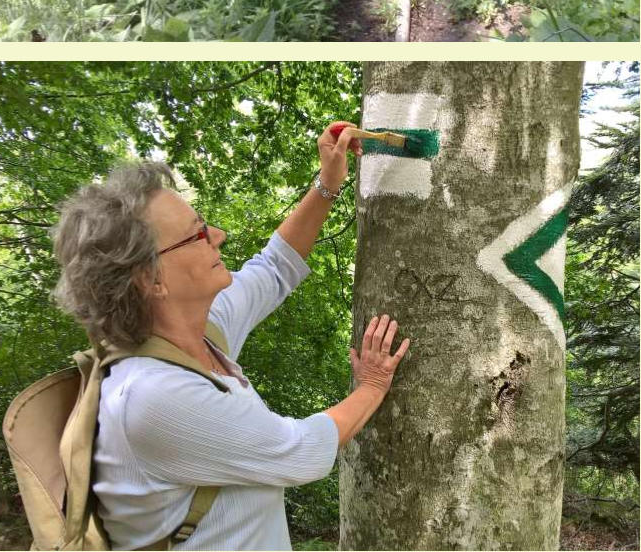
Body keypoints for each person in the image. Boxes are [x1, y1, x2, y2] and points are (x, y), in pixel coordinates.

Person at [52, 122, 410, 552]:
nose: (218, 236)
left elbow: (275, 268)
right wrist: (371, 386)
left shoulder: (197, 333)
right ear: (152, 278)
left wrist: (328, 183)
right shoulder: (153, 395)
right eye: (198, 234)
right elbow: (299, 452)